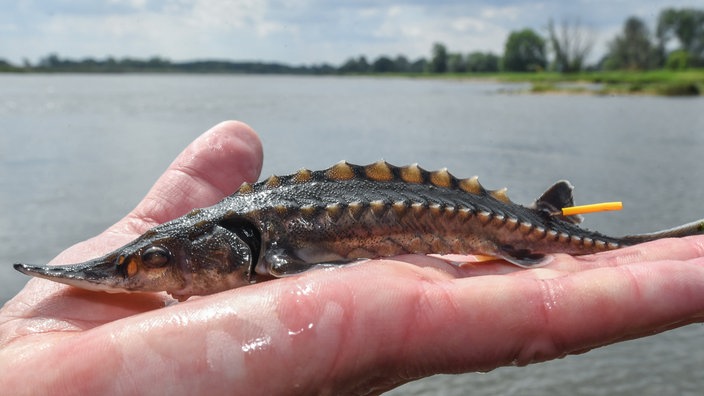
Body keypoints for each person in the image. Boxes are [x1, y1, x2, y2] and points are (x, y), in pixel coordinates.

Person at [1, 121, 703, 395]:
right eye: (139, 265)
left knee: (607, 248)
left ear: (236, 249)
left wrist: (532, 232)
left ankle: (649, 236)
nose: (134, 276)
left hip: (508, 226)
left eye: (141, 267)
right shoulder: (255, 236)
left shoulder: (274, 244)